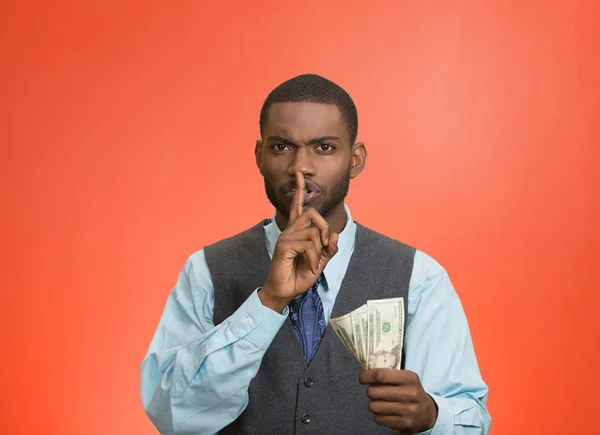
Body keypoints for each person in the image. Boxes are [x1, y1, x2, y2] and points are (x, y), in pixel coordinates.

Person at [140, 74, 491, 434]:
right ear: (260, 157)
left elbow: (472, 420)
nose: (300, 167)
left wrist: (433, 415)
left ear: (355, 160)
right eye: (281, 147)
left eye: (324, 147)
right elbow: (172, 417)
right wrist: (268, 302)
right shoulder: (206, 271)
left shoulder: (418, 277)